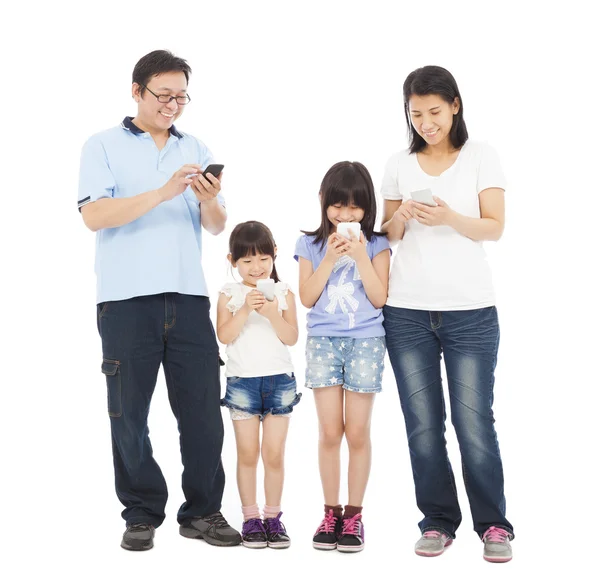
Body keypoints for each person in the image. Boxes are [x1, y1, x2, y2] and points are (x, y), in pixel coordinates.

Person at [78, 49, 241, 551]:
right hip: (125, 301)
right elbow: (94, 215)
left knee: (202, 414)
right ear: (136, 91)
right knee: (128, 412)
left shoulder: (194, 144)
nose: (173, 105)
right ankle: (142, 512)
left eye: (181, 97)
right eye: (164, 95)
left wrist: (209, 197)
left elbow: (215, 227)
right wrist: (164, 191)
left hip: (188, 298)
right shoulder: (102, 145)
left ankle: (203, 512)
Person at [380, 65, 514, 563]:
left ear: (455, 105)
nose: (425, 123)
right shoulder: (398, 162)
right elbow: (386, 237)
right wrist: (400, 218)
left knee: (474, 420)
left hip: (470, 311)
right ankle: (437, 521)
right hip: (407, 312)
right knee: (422, 422)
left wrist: (449, 218)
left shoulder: (481, 157)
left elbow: (495, 228)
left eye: (434, 112)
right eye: (416, 114)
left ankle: (494, 525)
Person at [295, 162, 391, 553]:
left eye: (356, 208)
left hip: (366, 341)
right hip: (323, 342)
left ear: (368, 208)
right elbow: (306, 297)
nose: (346, 216)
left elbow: (379, 297)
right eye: (338, 206)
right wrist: (332, 259)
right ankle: (330, 512)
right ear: (323, 202)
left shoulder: (379, 244)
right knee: (330, 432)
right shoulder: (309, 245)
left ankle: (354, 515)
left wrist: (363, 256)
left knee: (358, 433)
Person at [217, 221, 301, 549]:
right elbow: (223, 336)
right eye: (247, 261)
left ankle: (274, 518)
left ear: (275, 255)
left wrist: (270, 313)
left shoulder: (283, 292)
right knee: (248, 453)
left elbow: (291, 337)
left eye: (263, 258)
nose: (256, 267)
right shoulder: (228, 293)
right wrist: (244, 310)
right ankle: (251, 518)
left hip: (280, 380)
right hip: (242, 383)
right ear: (233, 261)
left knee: (275, 454)